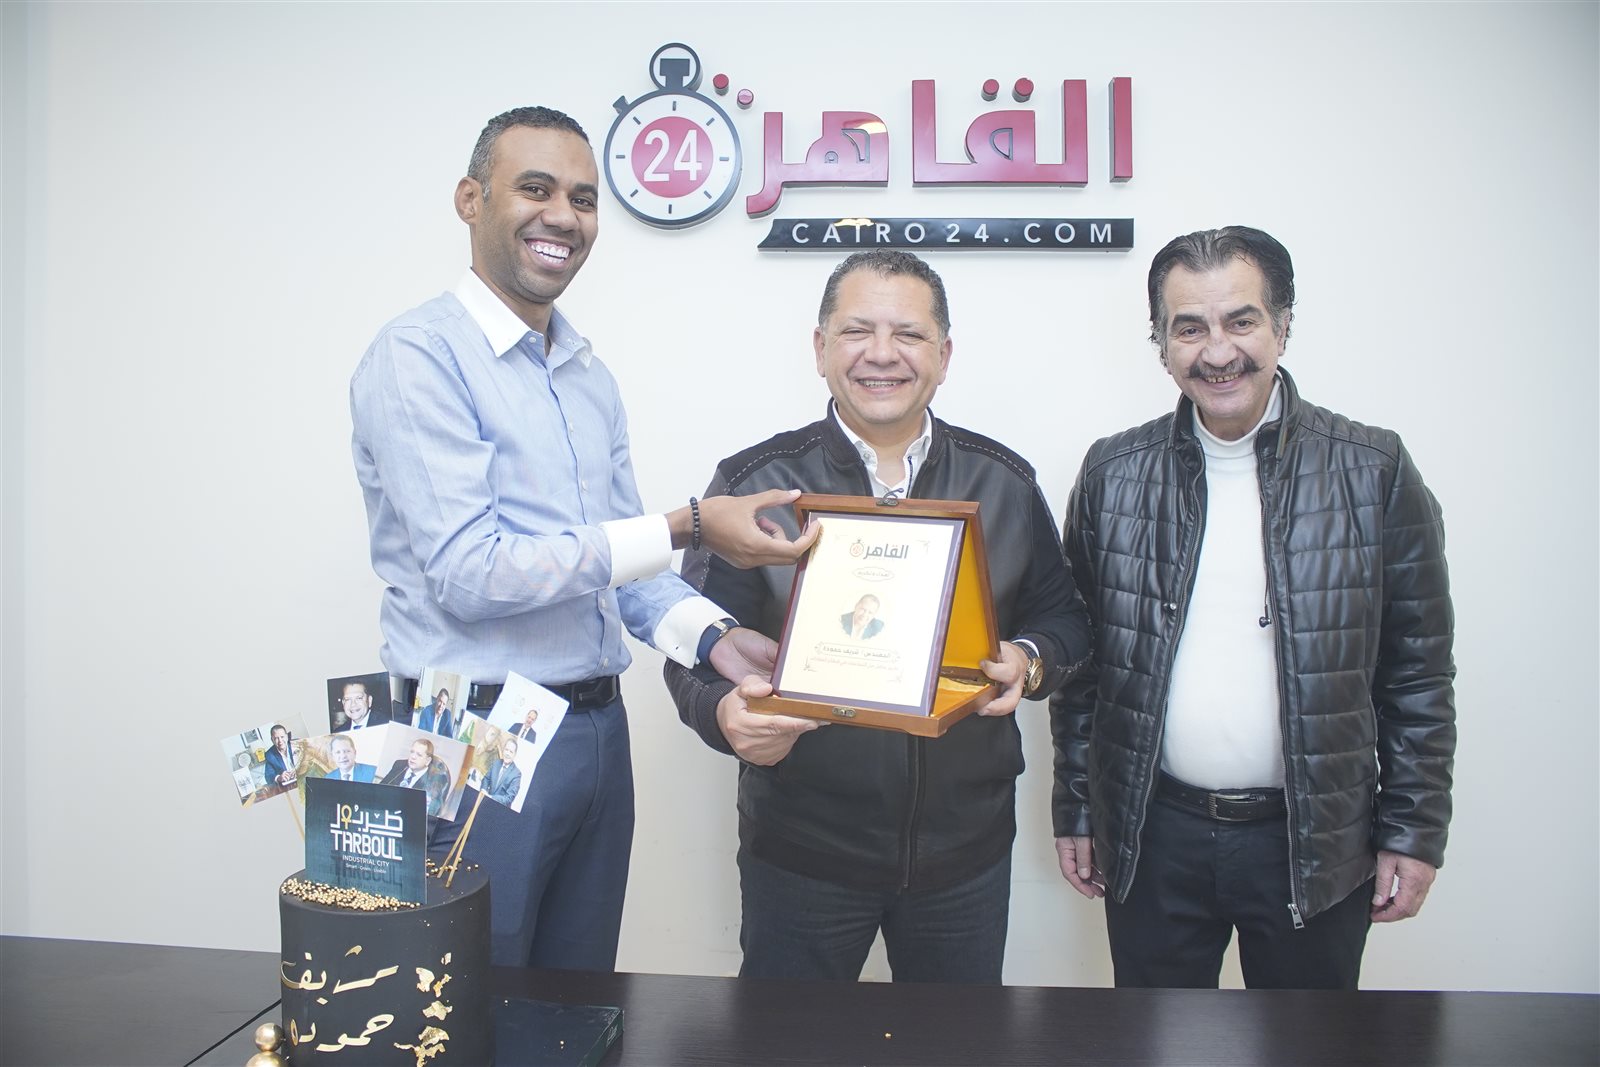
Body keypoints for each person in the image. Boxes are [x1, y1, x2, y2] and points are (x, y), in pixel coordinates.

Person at [349, 105, 817, 971]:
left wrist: (717, 639)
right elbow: (470, 574)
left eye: (583, 198)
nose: (563, 216)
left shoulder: (587, 375)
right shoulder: (418, 356)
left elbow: (623, 565)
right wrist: (686, 524)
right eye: (535, 189)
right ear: (470, 199)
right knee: (469, 999)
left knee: (577, 1000)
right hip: (474, 731)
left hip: (596, 732)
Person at [664, 250, 1092, 984]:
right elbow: (694, 648)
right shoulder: (755, 484)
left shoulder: (1005, 481)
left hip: (965, 854)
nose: (882, 354)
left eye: (910, 334)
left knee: (955, 1039)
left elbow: (1066, 620)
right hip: (801, 852)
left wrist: (1029, 659)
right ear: (820, 348)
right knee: (788, 1037)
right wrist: (722, 714)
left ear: (944, 355)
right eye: (857, 331)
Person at [1051, 226, 1457, 990]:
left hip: (1315, 839)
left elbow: (1418, 672)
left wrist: (1412, 829)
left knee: (1311, 1041)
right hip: (1153, 835)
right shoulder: (1112, 474)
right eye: (1189, 328)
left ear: (1283, 324)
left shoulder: (1373, 470)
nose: (1218, 351)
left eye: (1241, 320)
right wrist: (1076, 807)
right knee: (1153, 1039)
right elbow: (1084, 667)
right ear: (1161, 344)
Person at [381, 738, 453, 817]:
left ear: (428, 761)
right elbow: (380, 789)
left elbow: (432, 813)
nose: (413, 757)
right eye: (412, 752)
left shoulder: (434, 781)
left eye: (419, 755)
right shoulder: (399, 765)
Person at [481, 737, 523, 807]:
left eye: (511, 752)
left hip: (500, 809)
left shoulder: (517, 774)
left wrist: (491, 797)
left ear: (514, 755)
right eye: (506, 749)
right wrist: (483, 790)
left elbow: (509, 798)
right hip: (485, 803)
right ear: (503, 750)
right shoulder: (496, 763)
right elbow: (486, 779)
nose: (507, 753)